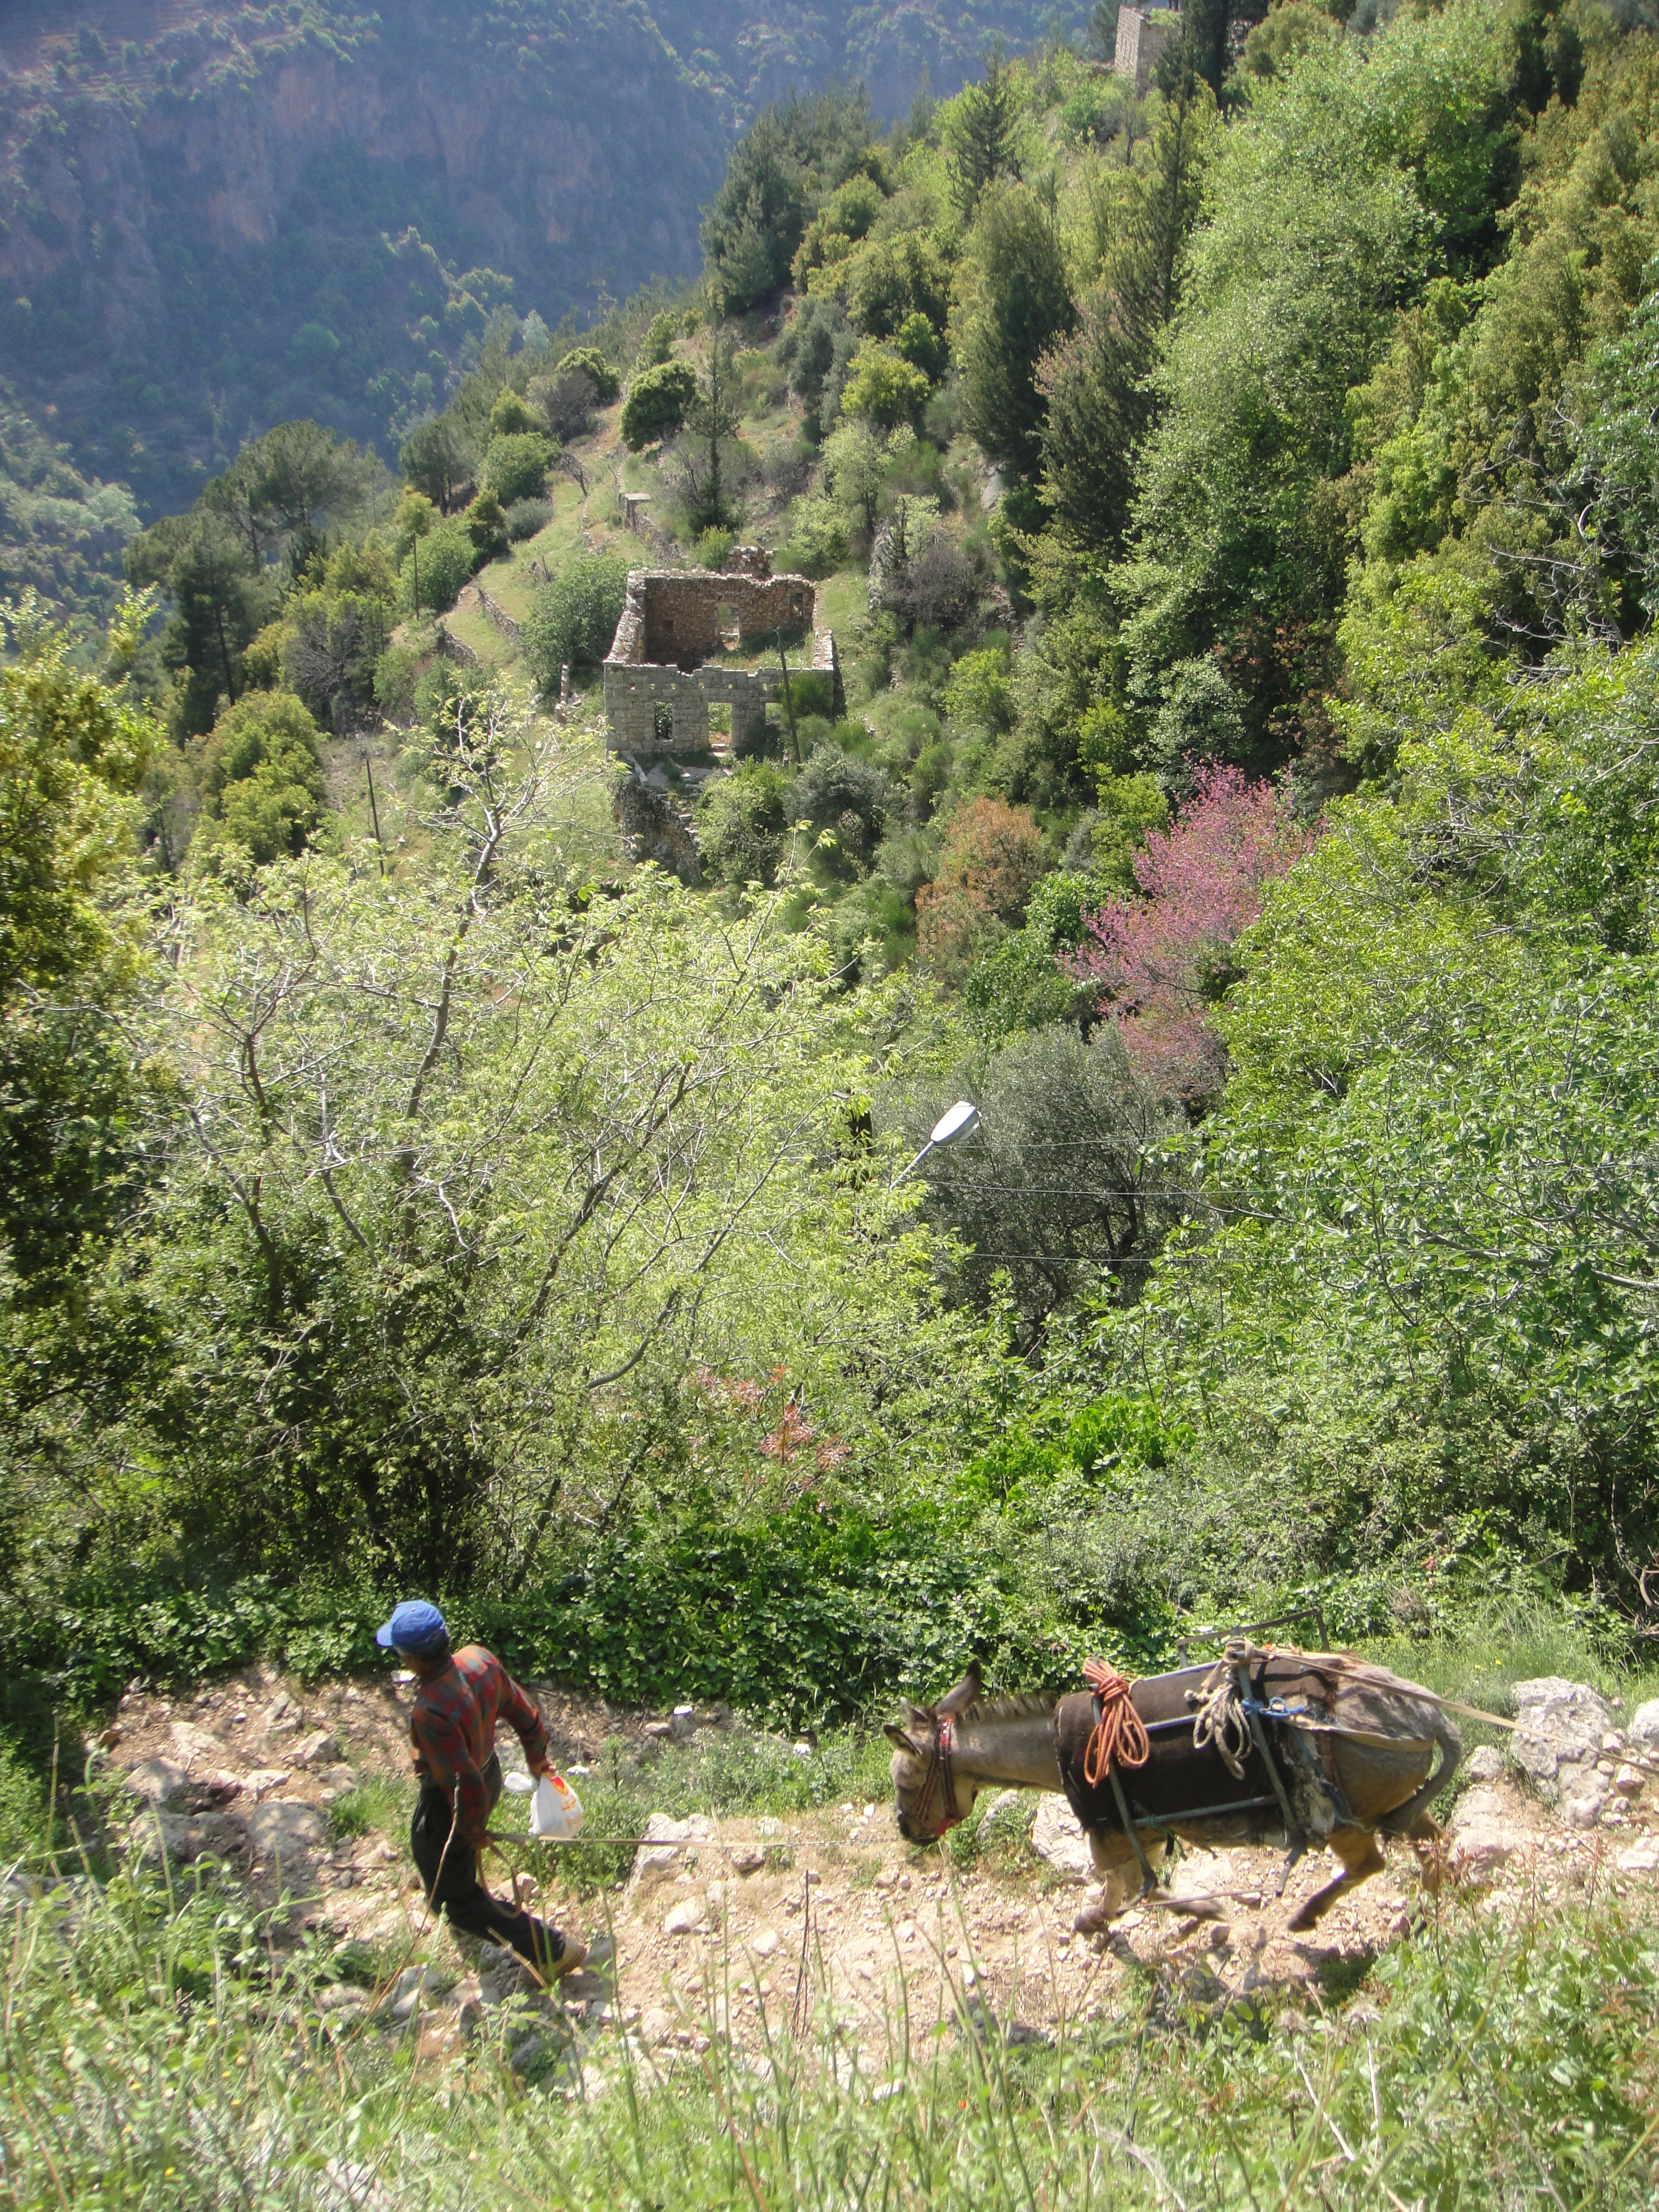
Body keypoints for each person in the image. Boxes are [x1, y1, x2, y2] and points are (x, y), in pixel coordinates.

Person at [377, 1600, 586, 1980]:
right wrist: (537, 1759)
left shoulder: (430, 1712)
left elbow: (463, 1784)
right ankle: (467, 1884)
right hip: (491, 1774)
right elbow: (525, 1713)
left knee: (451, 1902)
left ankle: (552, 1950)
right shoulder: (479, 1660)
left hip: (452, 1802)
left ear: (412, 1659)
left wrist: (472, 1833)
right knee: (457, 1869)